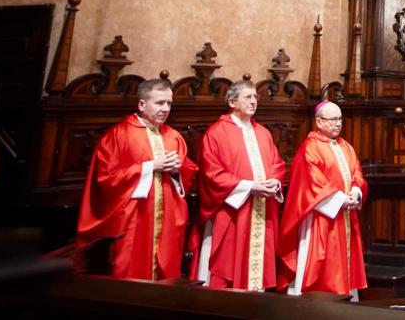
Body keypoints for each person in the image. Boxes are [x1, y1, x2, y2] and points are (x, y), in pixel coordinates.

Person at [76, 78, 196, 281]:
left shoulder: (173, 137)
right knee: (131, 273)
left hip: (166, 220)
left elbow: (187, 175)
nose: (166, 109)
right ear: (142, 104)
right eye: (159, 103)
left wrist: (177, 171)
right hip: (134, 220)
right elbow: (106, 178)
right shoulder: (119, 135)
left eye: (169, 103)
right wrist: (150, 167)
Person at [193, 80, 286, 290]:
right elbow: (211, 173)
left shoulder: (263, 132)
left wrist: (274, 181)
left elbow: (277, 163)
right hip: (233, 210)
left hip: (260, 210)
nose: (254, 101)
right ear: (232, 102)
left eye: (255, 97)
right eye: (248, 97)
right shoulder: (216, 133)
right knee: (229, 262)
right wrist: (248, 186)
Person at [278, 102, 367, 299]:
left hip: (345, 217)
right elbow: (312, 182)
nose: (338, 124)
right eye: (333, 119)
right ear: (319, 121)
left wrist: (355, 192)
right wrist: (340, 200)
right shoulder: (310, 147)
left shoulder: (346, 146)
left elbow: (357, 174)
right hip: (321, 218)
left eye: (340, 119)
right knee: (322, 264)